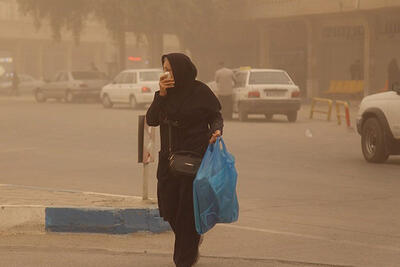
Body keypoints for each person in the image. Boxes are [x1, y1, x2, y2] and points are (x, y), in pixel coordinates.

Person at [146, 53, 223, 267]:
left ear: (182, 69)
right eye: (164, 69)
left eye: (170, 69)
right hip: (168, 160)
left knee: (186, 212)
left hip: (193, 158)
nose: (167, 73)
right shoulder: (164, 94)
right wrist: (161, 94)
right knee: (169, 209)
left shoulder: (201, 92)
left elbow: (215, 115)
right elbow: (152, 119)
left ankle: (184, 259)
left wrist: (217, 130)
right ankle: (192, 241)